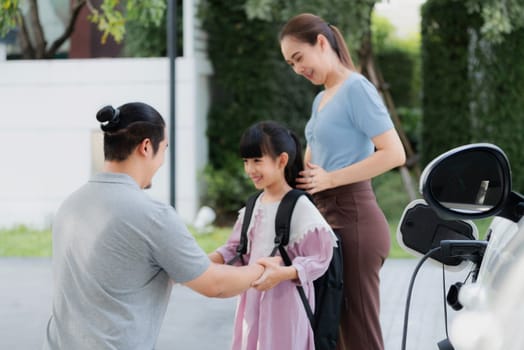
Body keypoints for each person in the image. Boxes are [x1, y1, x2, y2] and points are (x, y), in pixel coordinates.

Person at [43, 102, 272, 350]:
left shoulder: (71, 205)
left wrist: (212, 259)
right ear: (146, 147)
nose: (162, 160)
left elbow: (129, 272)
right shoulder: (151, 215)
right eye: (164, 149)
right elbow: (214, 285)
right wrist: (263, 268)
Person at [279, 13, 407, 350]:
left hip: (355, 220)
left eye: (298, 58)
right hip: (326, 221)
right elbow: (311, 165)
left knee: (360, 336)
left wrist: (330, 178)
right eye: (290, 64)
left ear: (321, 43)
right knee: (331, 334)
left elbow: (394, 153)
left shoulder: (356, 89)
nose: (296, 69)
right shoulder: (321, 99)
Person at [209, 121, 337, 350]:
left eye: (257, 161)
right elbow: (235, 249)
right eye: (246, 162)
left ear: (282, 160)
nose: (250, 169)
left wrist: (282, 274)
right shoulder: (252, 206)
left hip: (286, 306)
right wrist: (200, 262)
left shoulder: (300, 206)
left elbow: (320, 258)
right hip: (252, 302)